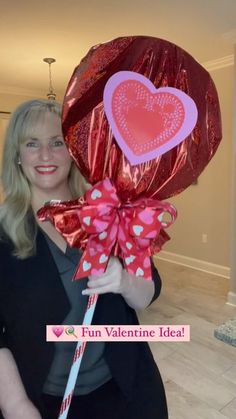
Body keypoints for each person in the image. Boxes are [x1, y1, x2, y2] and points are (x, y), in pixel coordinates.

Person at [0, 99, 168, 419]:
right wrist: (17, 406)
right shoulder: (1, 233)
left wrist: (124, 280)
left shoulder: (111, 213)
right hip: (41, 401)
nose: (45, 155)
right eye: (32, 144)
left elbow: (149, 293)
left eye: (57, 143)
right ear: (17, 156)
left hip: (124, 394)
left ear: (73, 152)